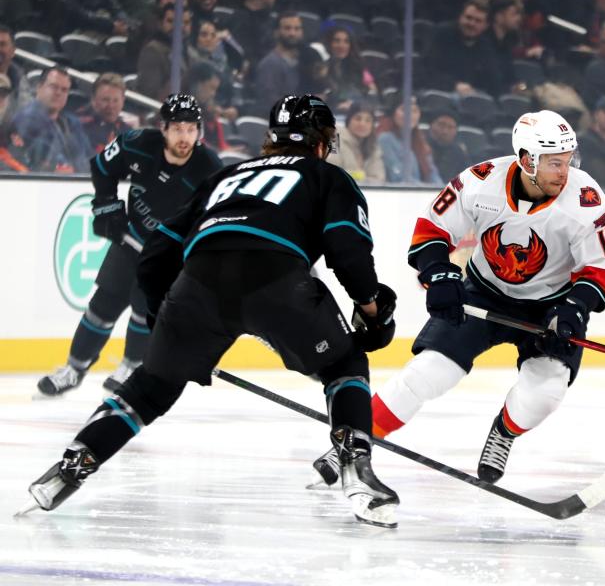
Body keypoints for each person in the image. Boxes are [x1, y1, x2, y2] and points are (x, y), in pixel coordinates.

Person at [23, 94, 401, 528]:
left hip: (197, 283)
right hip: (277, 278)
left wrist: (171, 311)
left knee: (151, 386)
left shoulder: (226, 176)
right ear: (323, 141)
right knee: (344, 362)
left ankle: (73, 463)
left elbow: (156, 254)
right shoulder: (327, 176)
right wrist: (372, 311)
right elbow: (347, 251)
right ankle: (357, 468)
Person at [311, 110, 605, 487]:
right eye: (555, 162)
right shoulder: (482, 181)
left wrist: (574, 308)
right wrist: (439, 273)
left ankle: (503, 433)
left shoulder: (586, 201)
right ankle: (355, 442)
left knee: (547, 388)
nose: (564, 171)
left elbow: (600, 271)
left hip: (550, 306)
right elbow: (432, 229)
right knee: (426, 374)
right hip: (482, 294)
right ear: (527, 160)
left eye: (568, 160)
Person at [35, 94, 222, 397]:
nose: (184, 136)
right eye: (177, 128)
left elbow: (217, 213)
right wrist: (106, 205)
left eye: (191, 129)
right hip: (130, 241)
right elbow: (102, 167)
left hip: (166, 255)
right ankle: (73, 368)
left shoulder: (209, 167)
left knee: (142, 311)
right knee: (101, 307)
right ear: (163, 128)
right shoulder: (137, 143)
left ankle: (131, 367)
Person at [11, 66, 94, 173]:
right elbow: (46, 163)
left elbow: (89, 157)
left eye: (64, 90)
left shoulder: (71, 122)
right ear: (39, 87)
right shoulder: (26, 120)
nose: (59, 93)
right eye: (53, 87)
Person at [329, 101, 385, 184]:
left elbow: (378, 178)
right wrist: (360, 176)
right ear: (348, 121)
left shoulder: (373, 147)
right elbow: (332, 173)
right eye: (358, 118)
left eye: (368, 120)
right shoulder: (334, 140)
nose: (362, 124)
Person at [75, 72, 132, 154]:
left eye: (115, 100)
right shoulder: (76, 125)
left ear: (123, 101)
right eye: (105, 100)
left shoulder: (128, 134)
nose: (111, 105)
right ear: (93, 100)